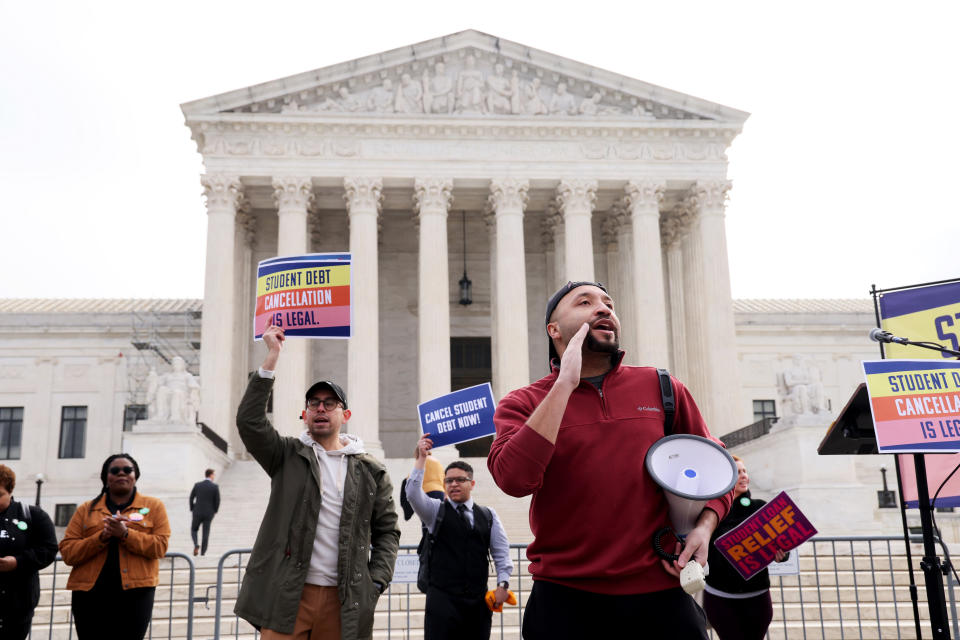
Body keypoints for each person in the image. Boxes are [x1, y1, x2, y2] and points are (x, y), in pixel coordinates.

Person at [488, 281, 734, 639]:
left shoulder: (662, 388)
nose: (603, 309)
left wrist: (705, 525)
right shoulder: (523, 402)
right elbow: (513, 479)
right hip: (566, 600)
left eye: (608, 303)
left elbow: (717, 466)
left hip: (662, 594)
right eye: (584, 302)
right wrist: (564, 386)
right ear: (553, 330)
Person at [234, 322, 399, 640]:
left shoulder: (370, 472)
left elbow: (387, 531)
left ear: (345, 415)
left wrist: (376, 582)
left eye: (330, 403)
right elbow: (249, 422)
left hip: (344, 599)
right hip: (289, 595)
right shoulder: (287, 456)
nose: (321, 408)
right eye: (314, 404)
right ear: (304, 414)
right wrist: (272, 356)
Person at [406, 435, 513, 640]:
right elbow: (412, 494)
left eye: (460, 480)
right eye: (449, 480)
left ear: (472, 483)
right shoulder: (435, 511)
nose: (454, 484)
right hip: (442, 603)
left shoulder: (488, 516)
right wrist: (421, 458)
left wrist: (503, 584)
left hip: (478, 603)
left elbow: (501, 554)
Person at [60, 454, 170, 640]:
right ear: (106, 477)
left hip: (136, 593)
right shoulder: (86, 510)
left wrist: (125, 534)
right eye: (115, 470)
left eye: (128, 470)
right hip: (90, 594)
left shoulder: (154, 507)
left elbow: (160, 547)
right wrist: (101, 536)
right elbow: (68, 552)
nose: (122, 474)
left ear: (135, 476)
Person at [704, 455, 788, 640]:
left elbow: (783, 545)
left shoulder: (761, 507)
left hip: (757, 597)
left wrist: (782, 553)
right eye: (737, 472)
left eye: (745, 471)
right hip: (720, 597)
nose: (743, 476)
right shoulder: (710, 513)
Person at [0, 464, 58, 640]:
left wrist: (18, 562)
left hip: (18, 605)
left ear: (10, 491)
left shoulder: (32, 515)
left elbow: (48, 549)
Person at [189, 468, 220, 556]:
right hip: (209, 513)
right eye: (214, 475)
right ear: (210, 475)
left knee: (194, 529)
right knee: (205, 533)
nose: (214, 476)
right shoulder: (214, 487)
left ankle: (196, 544)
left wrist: (192, 508)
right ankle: (203, 553)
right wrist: (215, 511)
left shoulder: (197, 485)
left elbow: (191, 497)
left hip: (197, 512)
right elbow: (217, 501)